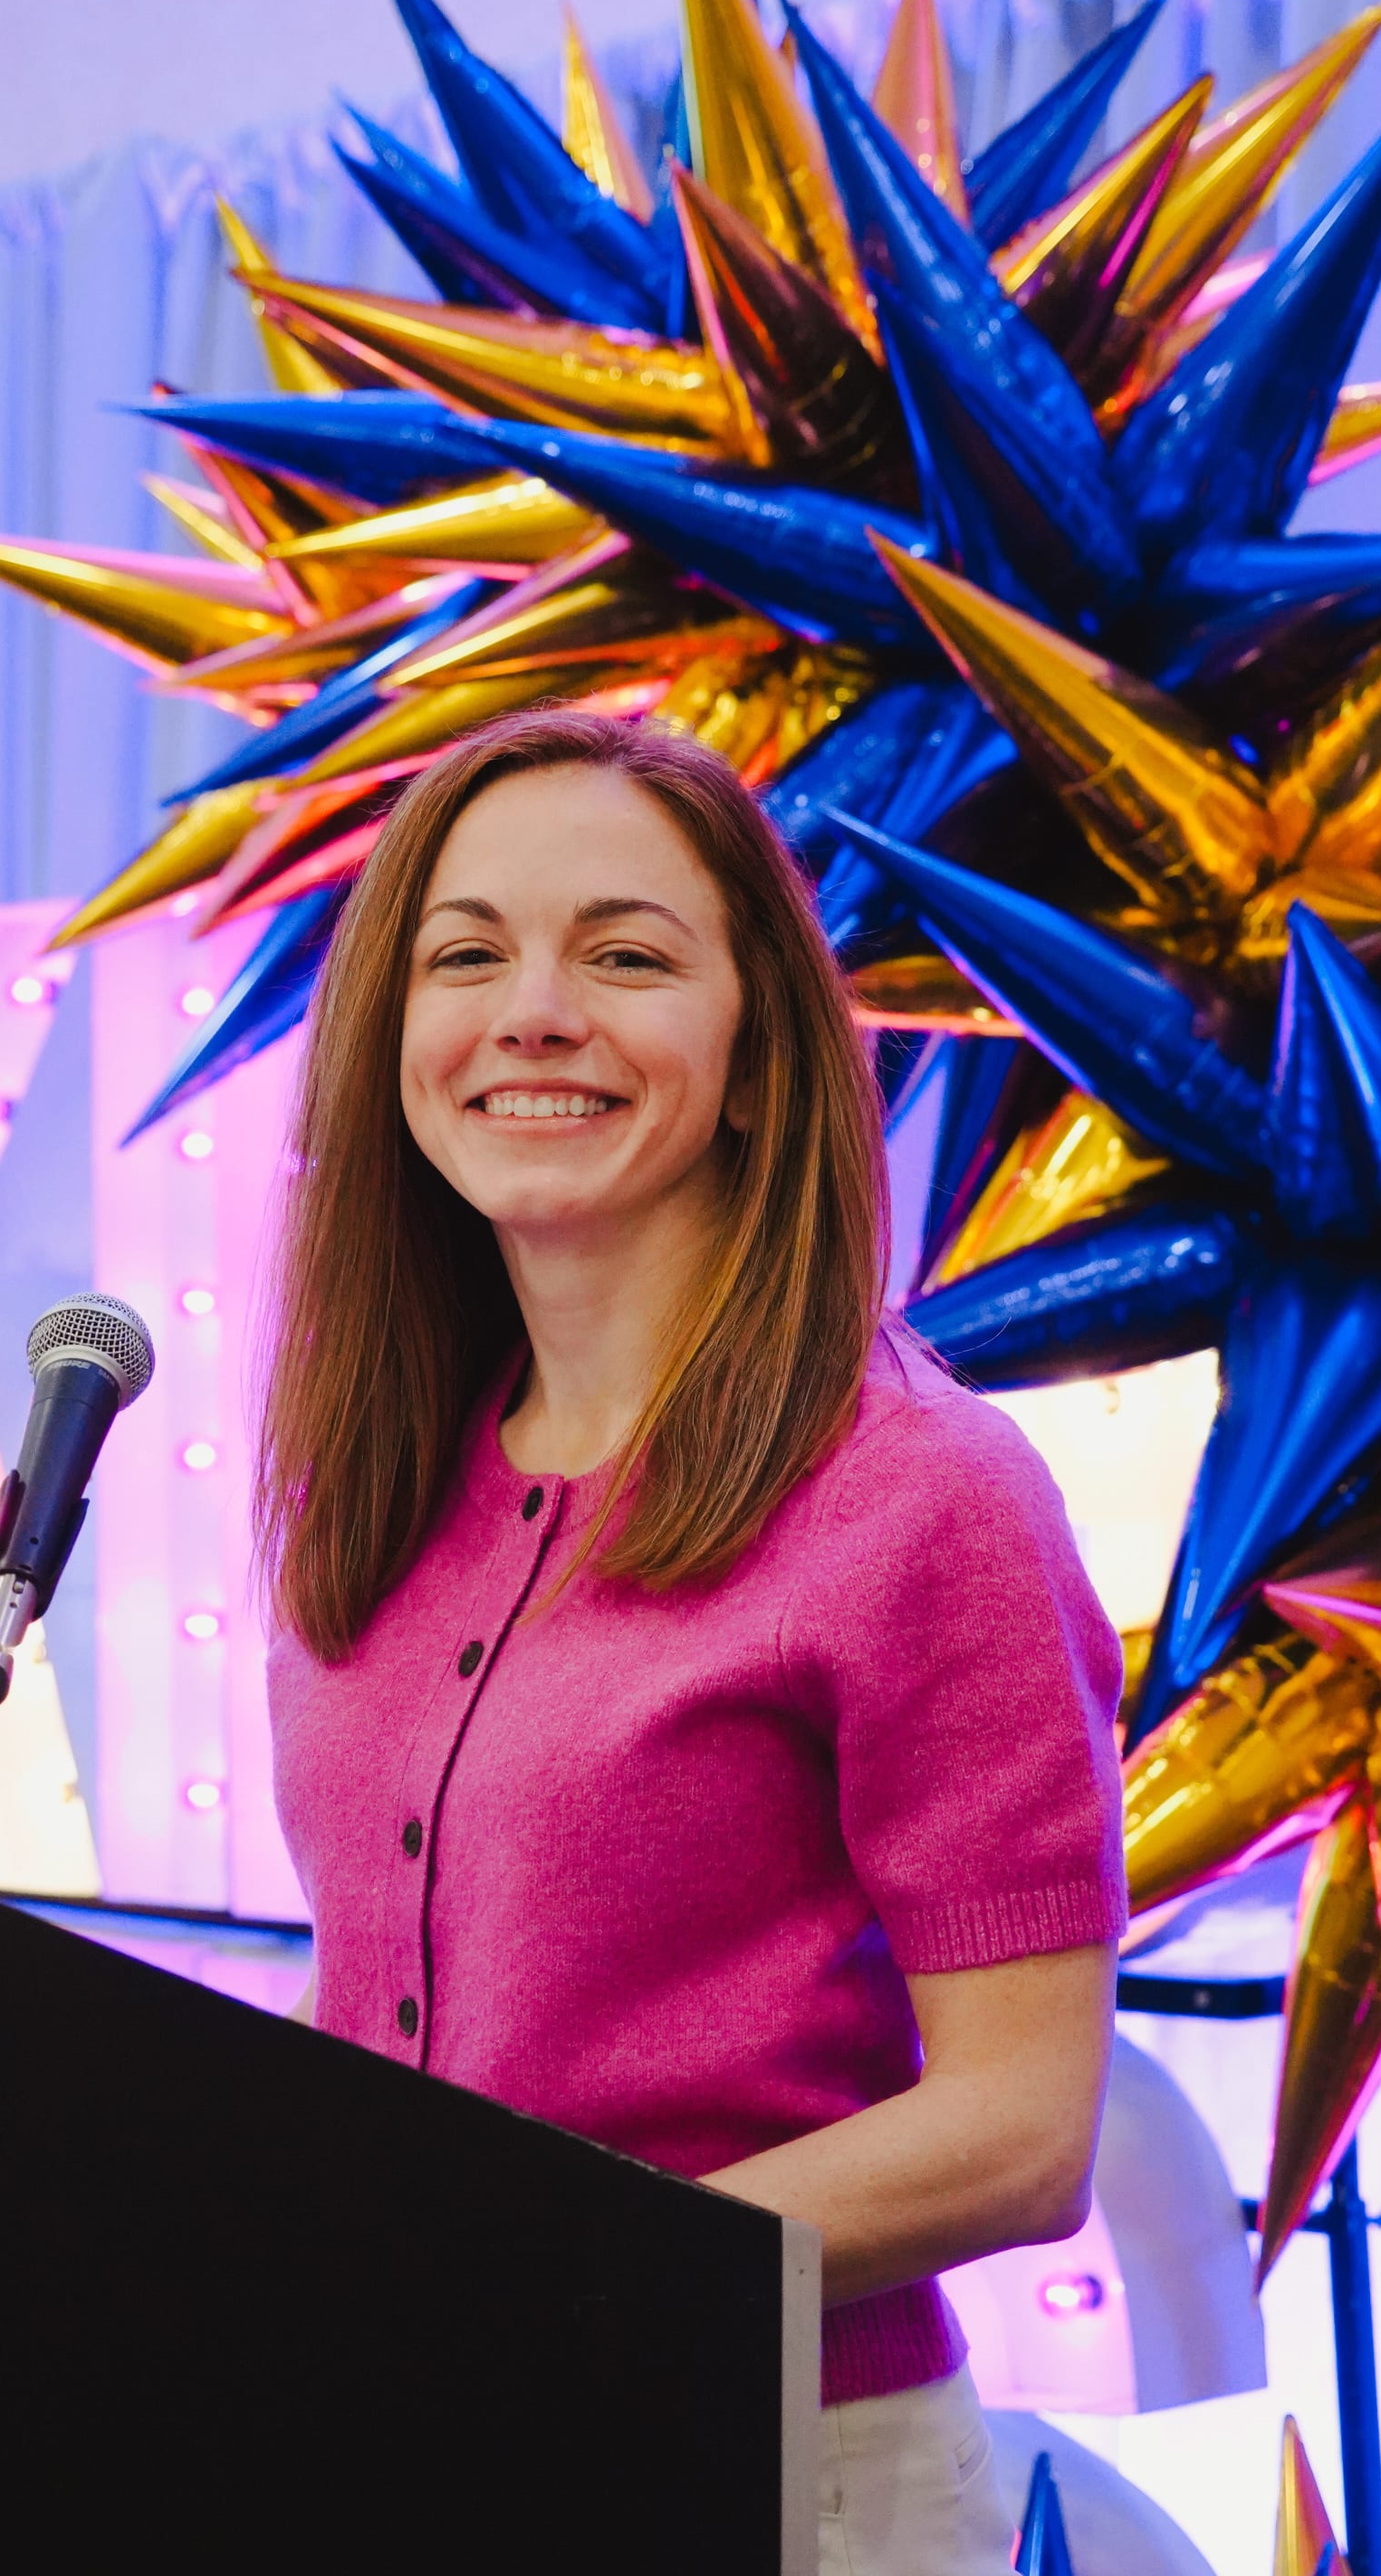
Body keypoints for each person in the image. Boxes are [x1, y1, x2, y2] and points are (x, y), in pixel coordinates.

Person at [260, 708, 1125, 2574]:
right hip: (410, 2455)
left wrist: (563, 2280)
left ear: (753, 1067)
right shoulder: (380, 1486)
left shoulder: (924, 1496)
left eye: (627, 957)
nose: (533, 1012)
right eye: (466, 955)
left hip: (778, 2473)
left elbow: (1020, 2129)